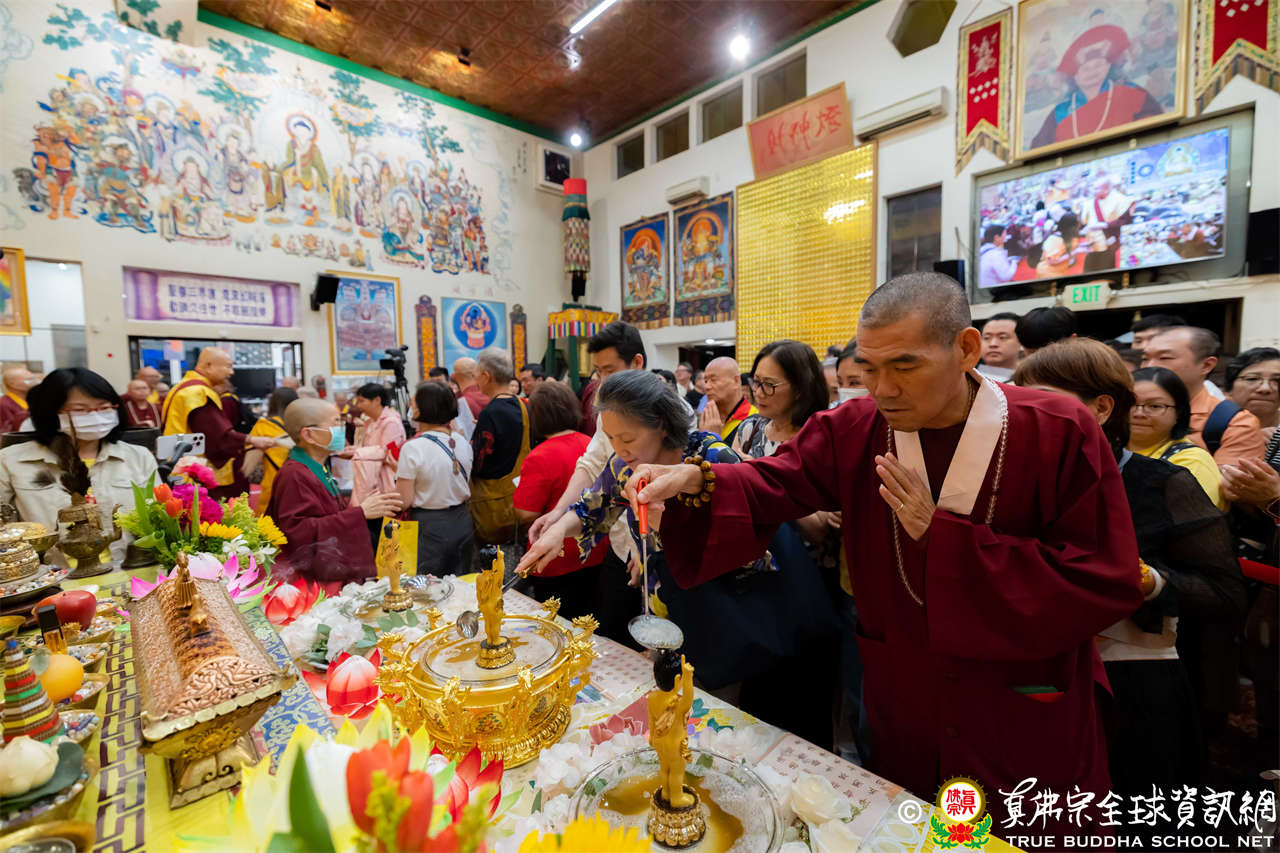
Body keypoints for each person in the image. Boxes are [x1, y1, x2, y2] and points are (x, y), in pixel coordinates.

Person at [625, 272, 1141, 834]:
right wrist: (698, 479)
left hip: (1015, 692)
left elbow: (1103, 578)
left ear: (966, 349)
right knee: (912, 824)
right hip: (907, 687)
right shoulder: (856, 427)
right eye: (869, 369)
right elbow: (775, 480)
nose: (883, 389)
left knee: (1025, 830)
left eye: (905, 366)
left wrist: (942, 537)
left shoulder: (1058, 429)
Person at [1013, 340, 1244, 798]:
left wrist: (1150, 581)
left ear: (1101, 408)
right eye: (1019, 403)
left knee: (1132, 807)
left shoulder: (1159, 482)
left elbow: (1225, 594)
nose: (1027, 415)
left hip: (1133, 680)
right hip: (1032, 675)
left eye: (1045, 401)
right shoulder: (1012, 478)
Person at [519, 371, 825, 693]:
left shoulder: (711, 457)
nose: (619, 449)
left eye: (628, 438)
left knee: (711, 694)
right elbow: (593, 507)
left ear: (662, 425)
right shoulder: (622, 467)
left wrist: (668, 528)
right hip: (668, 600)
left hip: (722, 604)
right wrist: (558, 530)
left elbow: (749, 546)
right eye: (610, 438)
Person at [731, 340, 843, 747]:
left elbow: (822, 529)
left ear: (800, 386)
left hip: (809, 583)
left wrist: (757, 478)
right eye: (754, 383)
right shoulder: (749, 430)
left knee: (805, 699)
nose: (758, 394)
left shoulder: (823, 435)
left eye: (769, 385)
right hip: (758, 576)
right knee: (758, 695)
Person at [525, 320, 651, 644]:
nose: (602, 381)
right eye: (598, 372)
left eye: (609, 371)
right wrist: (558, 517)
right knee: (611, 635)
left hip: (658, 555)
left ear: (637, 362)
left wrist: (649, 549)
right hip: (621, 546)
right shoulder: (610, 412)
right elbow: (595, 473)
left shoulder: (665, 414)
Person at [0, 368, 157, 562]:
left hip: (126, 573)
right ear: (50, 411)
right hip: (54, 576)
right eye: (80, 410)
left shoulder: (137, 457)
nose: (95, 416)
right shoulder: (11, 462)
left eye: (104, 408)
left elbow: (157, 519)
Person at [266, 397, 402, 587]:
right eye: (335, 423)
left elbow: (327, 515)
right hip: (314, 583)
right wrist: (360, 513)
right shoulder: (294, 475)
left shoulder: (317, 467)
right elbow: (298, 533)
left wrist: (361, 509)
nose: (341, 429)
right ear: (309, 435)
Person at [513, 381, 606, 618]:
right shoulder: (590, 443)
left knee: (557, 622)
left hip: (556, 555)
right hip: (595, 547)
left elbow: (526, 512)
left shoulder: (540, 455)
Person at [1141, 327, 1265, 467]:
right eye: (1145, 358)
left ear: (1206, 365)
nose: (1150, 366)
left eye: (1164, 358)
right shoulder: (1127, 409)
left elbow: (1225, 480)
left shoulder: (1233, 423)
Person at [162, 348, 274, 499]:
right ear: (209, 366)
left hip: (179, 462)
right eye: (228, 366)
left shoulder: (182, 387)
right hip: (194, 471)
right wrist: (252, 440)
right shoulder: (198, 393)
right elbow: (217, 438)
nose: (231, 372)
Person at [1030, 25, 1164, 150]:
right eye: (1085, 69)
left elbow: (1154, 128)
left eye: (1098, 65)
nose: (1092, 72)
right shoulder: (1060, 112)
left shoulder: (1130, 93)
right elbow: (1039, 150)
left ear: (1108, 67)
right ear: (1075, 77)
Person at [396, 382, 473, 576]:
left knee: (428, 584)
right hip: (463, 520)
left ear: (421, 409)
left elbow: (404, 501)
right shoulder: (462, 442)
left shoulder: (413, 448)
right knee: (459, 581)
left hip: (429, 525)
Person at [1129, 367, 1225, 508]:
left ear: (1179, 413)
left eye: (1155, 406)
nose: (1139, 413)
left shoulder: (1191, 462)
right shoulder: (1105, 449)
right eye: (1130, 403)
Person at [470, 348, 530, 548]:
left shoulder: (490, 413)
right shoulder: (523, 405)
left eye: (476, 375)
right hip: (521, 496)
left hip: (493, 504)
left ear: (487, 376)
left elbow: (479, 462)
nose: (475, 380)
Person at [346, 382, 407, 549]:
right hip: (373, 482)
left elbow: (387, 453)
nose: (359, 406)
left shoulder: (391, 422)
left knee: (388, 535)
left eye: (362, 401)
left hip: (386, 483)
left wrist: (357, 453)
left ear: (377, 400)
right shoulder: (371, 422)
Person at [241, 387, 296, 515]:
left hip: (273, 484)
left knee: (269, 523)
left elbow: (249, 462)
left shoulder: (263, 426)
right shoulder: (300, 425)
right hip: (299, 483)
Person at [698, 357, 755, 442]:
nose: (707, 387)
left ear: (736, 381)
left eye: (713, 380)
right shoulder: (707, 419)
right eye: (706, 381)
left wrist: (711, 438)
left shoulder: (754, 420)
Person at [1225, 347, 1280, 432]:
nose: (1265, 388)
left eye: (1277, 380)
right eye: (1252, 379)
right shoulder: (1207, 424)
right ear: (1229, 389)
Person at [1034, 212, 1087, 279]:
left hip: (1058, 272)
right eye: (1078, 223)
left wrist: (1083, 246)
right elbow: (1051, 261)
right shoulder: (1055, 239)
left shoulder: (1067, 236)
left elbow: (1066, 250)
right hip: (1048, 274)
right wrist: (1076, 251)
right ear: (1071, 226)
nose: (1080, 224)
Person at [0, 366, 35, 433]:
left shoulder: (34, 400)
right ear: (12, 384)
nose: (33, 383)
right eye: (28, 380)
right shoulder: (3, 404)